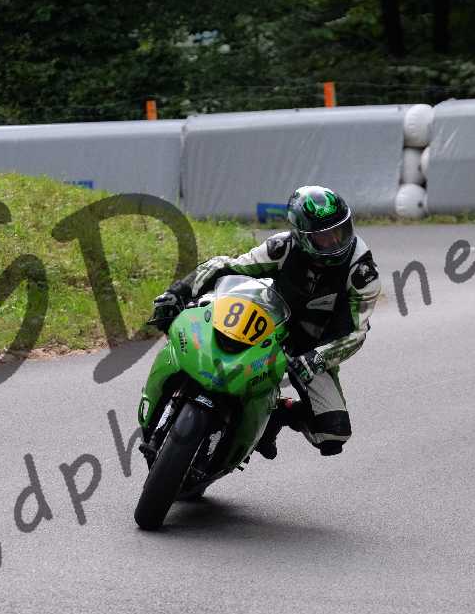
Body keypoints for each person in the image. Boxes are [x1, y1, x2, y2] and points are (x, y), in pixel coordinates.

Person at [150, 185, 381, 459]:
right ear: (302, 236)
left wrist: (317, 358)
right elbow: (228, 266)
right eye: (324, 237)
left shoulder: (362, 272)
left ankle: (277, 413)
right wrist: (177, 292)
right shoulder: (282, 247)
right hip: (268, 327)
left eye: (340, 231)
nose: (335, 242)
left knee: (333, 433)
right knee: (205, 339)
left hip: (314, 349)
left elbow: (356, 333)